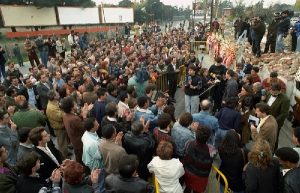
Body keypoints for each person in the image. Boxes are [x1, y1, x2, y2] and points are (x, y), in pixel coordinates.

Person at [182, 125, 214, 193]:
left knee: (187, 188)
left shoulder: (189, 144)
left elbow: (185, 158)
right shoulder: (211, 150)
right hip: (201, 177)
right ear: (208, 138)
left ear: (196, 134)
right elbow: (210, 162)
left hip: (189, 173)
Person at [61, 96, 92, 163]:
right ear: (71, 107)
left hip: (75, 142)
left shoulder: (65, 115)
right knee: (84, 160)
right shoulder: (74, 119)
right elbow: (85, 127)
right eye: (74, 104)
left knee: (79, 158)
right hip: (80, 143)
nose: (76, 105)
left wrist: (82, 112)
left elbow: (76, 122)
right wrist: (84, 116)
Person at [262, 83, 290, 150]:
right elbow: (265, 104)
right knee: (265, 135)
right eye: (272, 92)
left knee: (274, 138)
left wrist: (273, 122)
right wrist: (263, 100)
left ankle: (273, 151)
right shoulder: (269, 93)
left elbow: (284, 114)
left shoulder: (285, 100)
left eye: (275, 93)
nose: (273, 94)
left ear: (280, 91)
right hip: (265, 118)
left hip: (275, 122)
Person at [46, 90, 69, 159]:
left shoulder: (55, 102)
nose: (59, 94)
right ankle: (64, 157)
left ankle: (66, 152)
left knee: (65, 141)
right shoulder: (51, 108)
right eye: (57, 94)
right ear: (53, 97)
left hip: (62, 126)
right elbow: (60, 117)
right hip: (59, 128)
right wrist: (64, 110)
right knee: (62, 143)